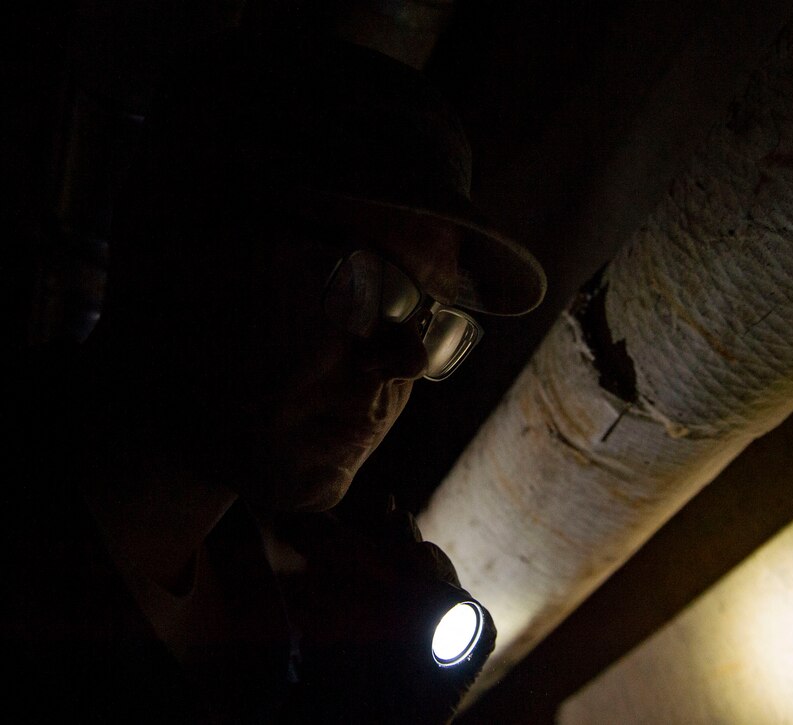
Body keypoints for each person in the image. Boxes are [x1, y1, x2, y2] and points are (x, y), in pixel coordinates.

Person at [2, 24, 545, 724]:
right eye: (366, 286)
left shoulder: (250, 606)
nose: (406, 361)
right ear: (180, 235)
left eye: (431, 320)